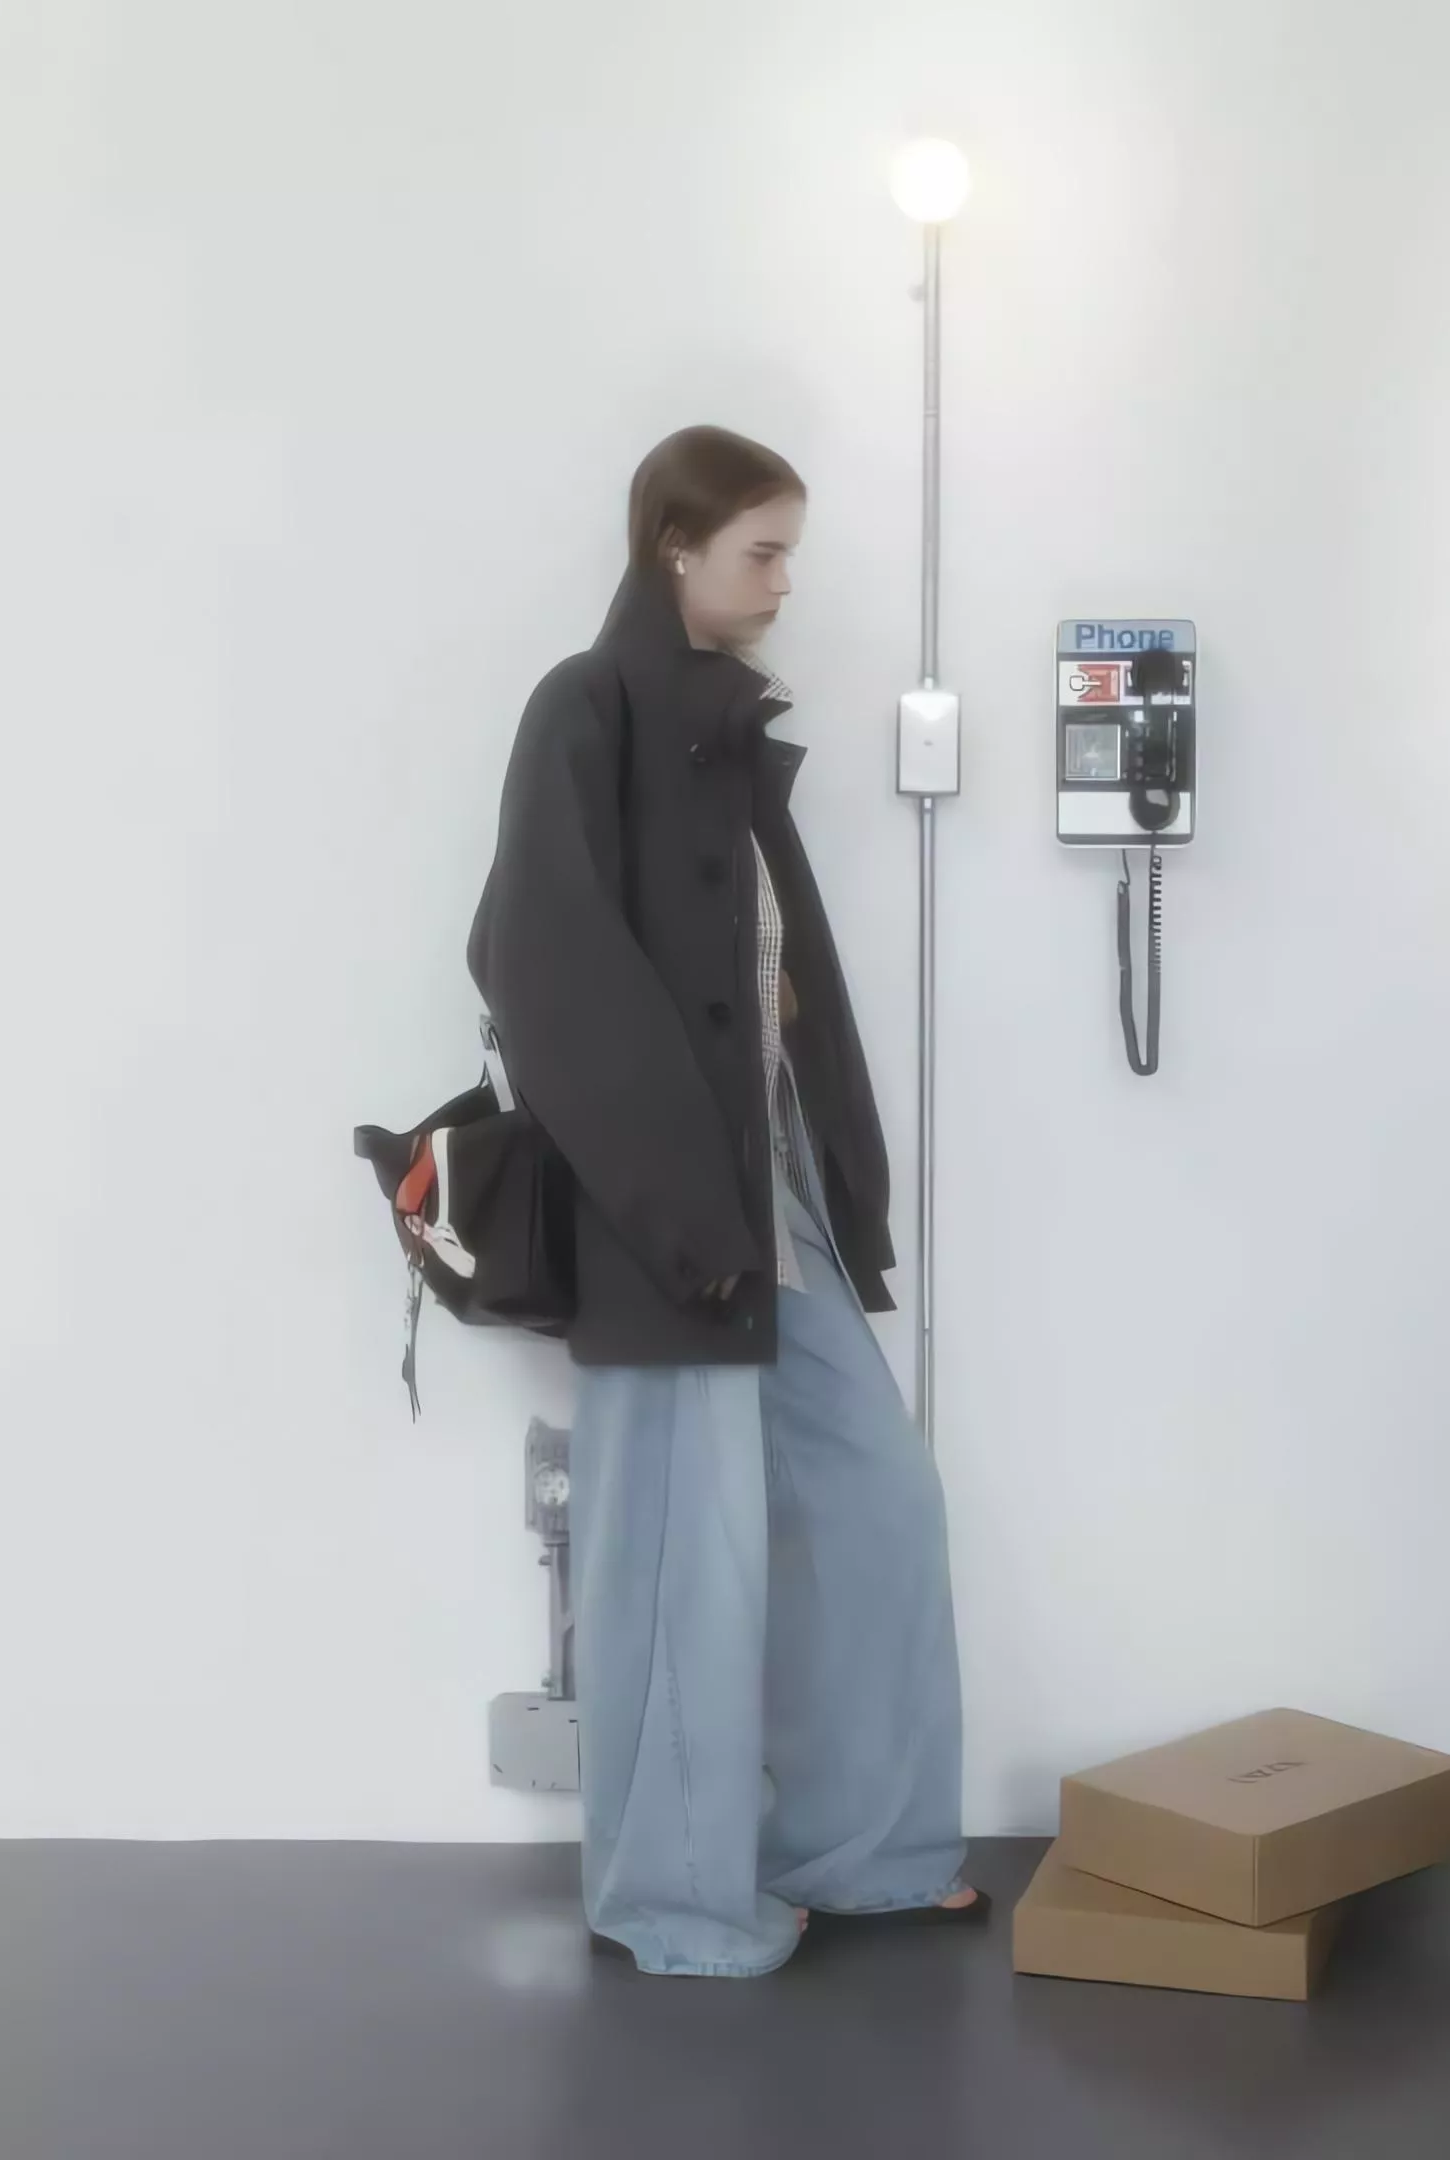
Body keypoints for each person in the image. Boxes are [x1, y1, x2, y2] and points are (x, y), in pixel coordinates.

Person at [468, 426, 981, 1977]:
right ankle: (678, 1905)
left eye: (788, 551)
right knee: (688, 1559)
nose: (783, 581)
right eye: (763, 550)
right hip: (666, 1219)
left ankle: (864, 1852)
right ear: (674, 546)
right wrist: (681, 1212)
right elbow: (534, 959)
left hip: (773, 1199)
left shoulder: (723, 732)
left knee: (879, 1496)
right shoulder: (588, 706)